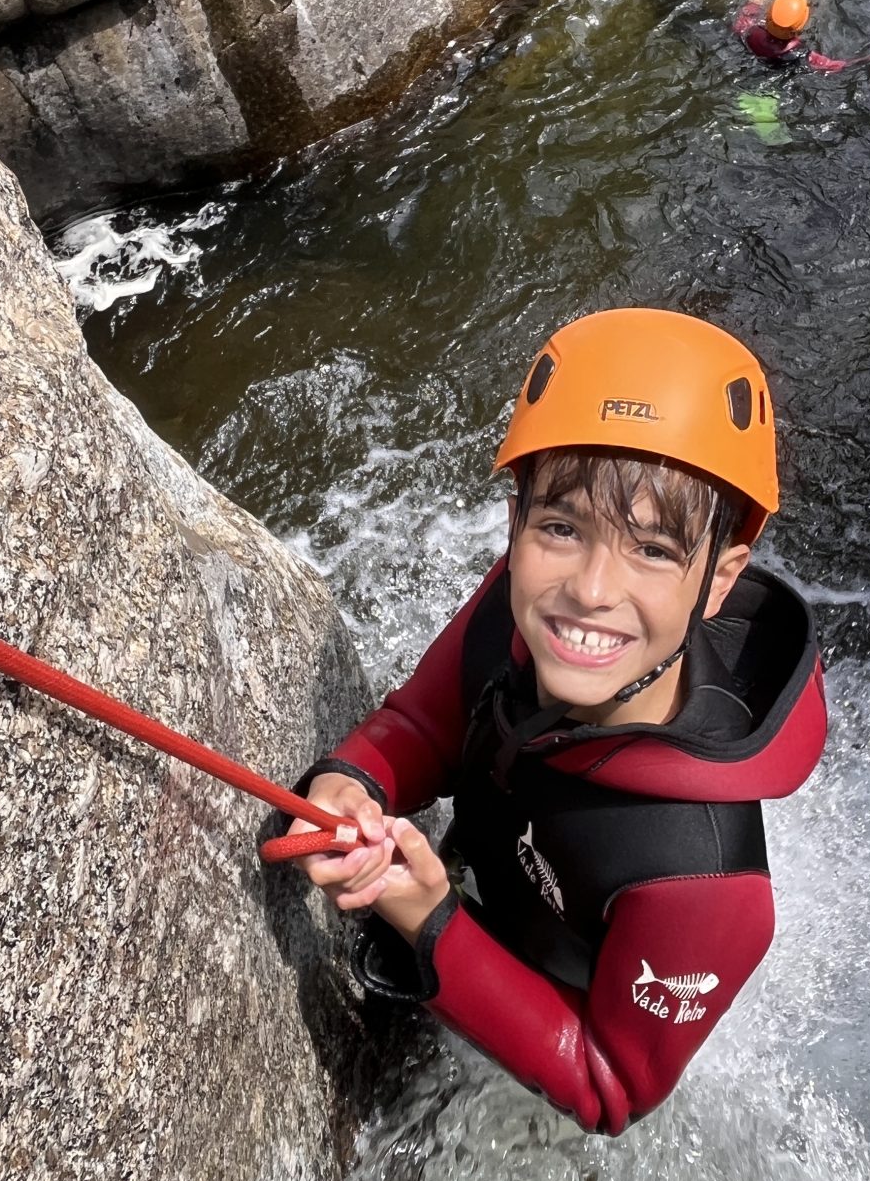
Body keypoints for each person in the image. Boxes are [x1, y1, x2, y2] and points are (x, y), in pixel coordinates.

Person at [285, 309, 826, 1135]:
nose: (591, 590)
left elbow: (612, 1088)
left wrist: (432, 925)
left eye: (651, 550)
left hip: (544, 1042)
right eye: (562, 529)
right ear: (515, 527)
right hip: (468, 921)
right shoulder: (518, 608)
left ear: (718, 582)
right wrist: (351, 783)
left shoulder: (706, 880)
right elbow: (427, 726)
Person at [733, 0, 870, 71]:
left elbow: (745, 16)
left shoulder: (748, 30)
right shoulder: (800, 54)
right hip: (774, 81)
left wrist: (753, 3)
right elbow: (840, 66)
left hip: (746, 69)